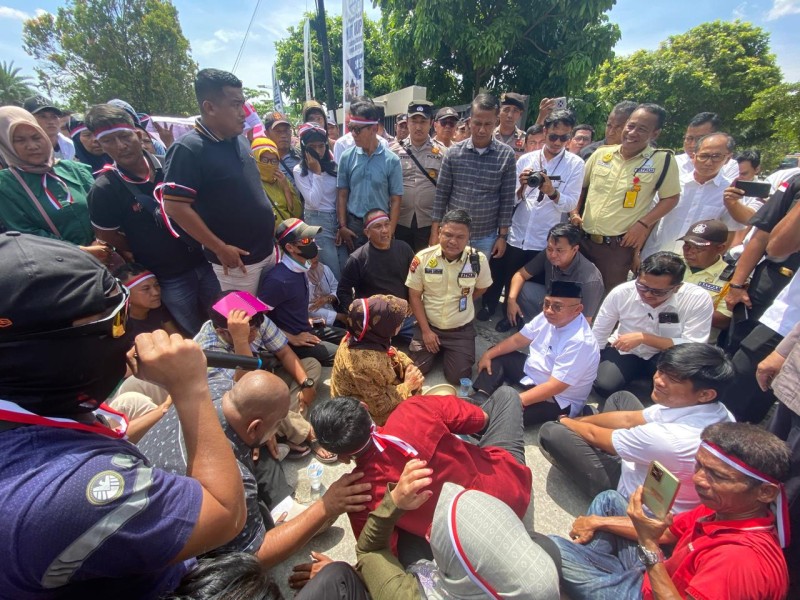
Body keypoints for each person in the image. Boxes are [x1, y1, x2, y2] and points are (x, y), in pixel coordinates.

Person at [0, 232, 246, 598]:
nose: (130, 335)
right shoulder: (59, 491)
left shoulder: (31, 396)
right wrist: (191, 389)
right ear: (51, 351)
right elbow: (225, 514)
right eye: (116, 323)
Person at [139, 370, 372, 566]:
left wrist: (263, 434)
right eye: (278, 424)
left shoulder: (215, 386)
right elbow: (255, 556)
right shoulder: (233, 479)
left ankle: (279, 505)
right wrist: (326, 505)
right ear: (254, 426)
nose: (280, 430)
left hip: (163, 469)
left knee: (260, 449)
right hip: (174, 551)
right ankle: (275, 517)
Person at [550, 421, 790, 600]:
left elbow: (655, 543)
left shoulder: (739, 561)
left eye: (716, 475)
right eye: (699, 466)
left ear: (766, 492)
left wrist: (648, 545)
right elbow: (667, 533)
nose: (698, 479)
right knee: (609, 500)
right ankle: (598, 573)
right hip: (657, 574)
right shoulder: (725, 508)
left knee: (549, 545)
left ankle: (594, 574)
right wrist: (597, 522)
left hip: (656, 591)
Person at [309, 390, 533, 559]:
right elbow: (480, 418)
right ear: (364, 407)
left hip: (476, 551)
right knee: (506, 395)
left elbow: (383, 552)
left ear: (343, 458)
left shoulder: (358, 492)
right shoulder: (412, 409)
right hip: (509, 496)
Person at [540, 343, 735, 503]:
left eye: (672, 379)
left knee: (552, 432)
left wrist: (564, 421)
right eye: (661, 371)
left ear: (705, 394)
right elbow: (629, 419)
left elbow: (595, 435)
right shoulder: (717, 410)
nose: (658, 380)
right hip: (649, 458)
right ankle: (614, 446)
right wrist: (579, 421)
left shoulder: (673, 438)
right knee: (621, 399)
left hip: (640, 493)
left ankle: (601, 477)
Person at [86, 103, 220, 335]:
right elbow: (106, 235)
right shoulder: (104, 189)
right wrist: (141, 247)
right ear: (101, 145)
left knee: (221, 314)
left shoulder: (169, 164)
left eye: (124, 136)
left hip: (204, 260)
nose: (120, 146)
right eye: (109, 141)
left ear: (139, 133)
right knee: (193, 329)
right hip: (167, 275)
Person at [356, 470, 560, 600]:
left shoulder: (406, 597)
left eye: (435, 531)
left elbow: (368, 549)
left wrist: (394, 504)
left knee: (407, 531)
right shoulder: (545, 571)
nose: (429, 532)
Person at [161, 68, 276, 295]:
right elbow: (174, 206)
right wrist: (219, 248)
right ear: (210, 107)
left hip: (267, 252)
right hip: (237, 264)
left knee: (272, 313)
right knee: (246, 324)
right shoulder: (188, 149)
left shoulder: (241, 141)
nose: (242, 112)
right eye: (235, 104)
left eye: (242, 104)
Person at [194, 290, 333, 462]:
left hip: (265, 379)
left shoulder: (256, 319)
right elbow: (243, 394)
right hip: (240, 401)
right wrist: (241, 340)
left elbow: (284, 353)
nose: (254, 333)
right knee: (261, 400)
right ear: (223, 332)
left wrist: (307, 384)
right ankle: (306, 433)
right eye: (248, 331)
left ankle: (277, 431)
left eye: (254, 329)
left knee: (311, 365)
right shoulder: (207, 348)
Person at [481, 109, 585, 325]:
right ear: (545, 132)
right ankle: (493, 308)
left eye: (564, 137)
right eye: (553, 136)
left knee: (528, 281)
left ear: (570, 136)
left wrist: (552, 191)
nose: (558, 142)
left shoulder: (575, 165)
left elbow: (570, 203)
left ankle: (513, 318)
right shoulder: (527, 159)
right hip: (518, 231)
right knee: (508, 274)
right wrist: (520, 186)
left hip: (544, 236)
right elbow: (509, 199)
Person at [570, 103, 681, 292]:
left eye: (642, 129)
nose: (632, 132)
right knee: (574, 292)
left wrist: (643, 224)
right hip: (583, 240)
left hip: (617, 247)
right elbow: (580, 185)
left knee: (608, 298)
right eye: (631, 125)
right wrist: (574, 211)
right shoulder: (601, 154)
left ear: (655, 134)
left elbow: (671, 198)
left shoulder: (662, 160)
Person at [474, 281, 600, 425]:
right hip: (534, 372)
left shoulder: (581, 341)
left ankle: (492, 413)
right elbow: (517, 340)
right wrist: (488, 355)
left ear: (577, 309)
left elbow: (554, 387)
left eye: (557, 307)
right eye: (546, 304)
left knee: (497, 420)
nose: (549, 310)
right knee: (496, 353)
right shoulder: (548, 315)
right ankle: (481, 396)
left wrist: (512, 402)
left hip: (557, 398)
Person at [0, 106, 113, 264]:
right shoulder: (6, 185)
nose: (32, 146)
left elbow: (103, 211)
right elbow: (26, 234)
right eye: (19, 140)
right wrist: (79, 252)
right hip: (59, 268)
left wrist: (102, 242)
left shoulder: (74, 169)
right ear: (5, 144)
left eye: (36, 137)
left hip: (105, 256)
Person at [591, 251, 714, 398]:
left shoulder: (697, 299)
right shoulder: (622, 292)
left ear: (677, 287)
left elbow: (693, 346)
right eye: (642, 287)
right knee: (604, 385)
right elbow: (599, 332)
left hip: (669, 355)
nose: (648, 295)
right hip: (627, 350)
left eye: (657, 292)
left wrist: (644, 338)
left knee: (675, 393)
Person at [406, 209, 492, 385]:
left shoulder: (478, 260)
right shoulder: (422, 258)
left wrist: (463, 303)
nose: (453, 241)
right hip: (429, 326)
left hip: (459, 330)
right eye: (448, 234)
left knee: (458, 378)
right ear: (439, 233)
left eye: (460, 237)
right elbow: (414, 296)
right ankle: (434, 350)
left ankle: (448, 352)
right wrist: (426, 331)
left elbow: (482, 288)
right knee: (416, 370)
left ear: (469, 237)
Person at [430, 93, 516, 262]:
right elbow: (441, 195)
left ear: (496, 122)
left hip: (486, 236)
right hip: (452, 236)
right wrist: (435, 232)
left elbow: (506, 200)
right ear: (469, 121)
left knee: (477, 283)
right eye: (477, 123)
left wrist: (502, 237)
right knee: (449, 281)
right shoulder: (453, 154)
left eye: (488, 124)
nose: (482, 130)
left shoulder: (506, 155)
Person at [258, 218, 346, 366]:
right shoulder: (278, 280)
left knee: (354, 337)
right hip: (293, 341)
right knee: (344, 357)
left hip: (308, 329)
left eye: (312, 239)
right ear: (290, 247)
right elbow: (256, 318)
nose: (312, 244)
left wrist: (305, 320)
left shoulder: (301, 267)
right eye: (305, 241)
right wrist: (290, 337)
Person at [642, 132, 746, 258]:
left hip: (694, 266)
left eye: (716, 156)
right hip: (654, 257)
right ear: (694, 156)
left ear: (728, 159)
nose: (708, 162)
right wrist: (637, 253)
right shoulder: (674, 183)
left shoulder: (729, 193)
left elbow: (729, 232)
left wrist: (712, 264)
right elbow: (650, 220)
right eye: (704, 156)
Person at [331, 295, 423, 426]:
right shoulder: (365, 363)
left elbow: (389, 351)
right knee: (414, 413)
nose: (401, 323)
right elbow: (379, 407)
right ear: (383, 326)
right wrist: (408, 385)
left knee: (414, 380)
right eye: (398, 322)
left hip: (368, 391)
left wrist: (407, 364)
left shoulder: (361, 335)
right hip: (361, 410)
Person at [506, 223, 605, 328]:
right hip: (551, 302)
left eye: (559, 250)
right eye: (549, 249)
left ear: (575, 249)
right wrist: (511, 300)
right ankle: (534, 328)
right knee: (523, 289)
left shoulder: (590, 279)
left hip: (571, 317)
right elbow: (520, 275)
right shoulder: (548, 254)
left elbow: (585, 322)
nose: (553, 255)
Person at [336, 98, 403, 251]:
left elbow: (396, 199)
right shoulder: (347, 157)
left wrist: (390, 230)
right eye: (350, 128)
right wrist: (342, 226)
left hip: (381, 226)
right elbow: (342, 194)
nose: (353, 134)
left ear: (373, 129)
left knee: (380, 270)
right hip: (354, 227)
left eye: (357, 129)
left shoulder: (391, 160)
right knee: (357, 270)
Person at [337, 208, 415, 336]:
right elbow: (343, 291)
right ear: (367, 232)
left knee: (427, 337)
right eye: (378, 226)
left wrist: (411, 303)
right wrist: (359, 315)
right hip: (374, 320)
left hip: (404, 316)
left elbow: (415, 280)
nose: (384, 230)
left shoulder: (404, 248)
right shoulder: (358, 258)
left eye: (387, 224)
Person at [389, 101, 447, 251]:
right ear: (407, 122)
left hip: (428, 222)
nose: (418, 127)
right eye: (414, 121)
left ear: (431, 123)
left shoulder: (443, 153)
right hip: (400, 220)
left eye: (423, 122)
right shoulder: (392, 151)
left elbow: (447, 190)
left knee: (425, 265)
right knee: (401, 264)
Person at [293, 122, 347, 279]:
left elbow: (340, 197)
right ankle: (336, 303)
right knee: (333, 271)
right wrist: (317, 172)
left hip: (336, 220)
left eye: (321, 146)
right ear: (304, 146)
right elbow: (314, 201)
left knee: (345, 266)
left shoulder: (333, 167)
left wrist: (341, 225)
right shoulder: (300, 171)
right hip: (317, 222)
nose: (318, 150)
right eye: (312, 146)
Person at [679, 220, 733, 342]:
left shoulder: (732, 279)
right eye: (687, 245)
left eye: (698, 248)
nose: (689, 251)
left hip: (695, 344)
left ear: (720, 248)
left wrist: (670, 307)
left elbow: (723, 320)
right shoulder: (672, 264)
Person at [115, 263, 181, 339]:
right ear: (126, 294)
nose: (156, 292)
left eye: (156, 285)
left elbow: (175, 335)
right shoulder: (119, 328)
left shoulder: (157, 307)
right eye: (146, 289)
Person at [251, 137, 302, 222]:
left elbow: (297, 213)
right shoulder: (250, 184)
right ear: (255, 159)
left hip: (287, 232)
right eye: (264, 160)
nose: (269, 164)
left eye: (274, 161)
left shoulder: (282, 180)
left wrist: (286, 188)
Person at [676, 111, 739, 180]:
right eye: (689, 138)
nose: (693, 144)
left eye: (700, 139)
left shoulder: (731, 166)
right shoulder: (673, 163)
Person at [23, 94, 75, 160]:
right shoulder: (22, 147)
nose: (51, 121)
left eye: (54, 116)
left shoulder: (69, 144)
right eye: (42, 116)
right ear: (28, 119)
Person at [307, 255, 344, 326]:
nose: (315, 258)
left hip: (333, 309)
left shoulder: (325, 269)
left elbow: (337, 289)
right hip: (314, 321)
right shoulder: (299, 277)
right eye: (310, 256)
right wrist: (338, 316)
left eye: (316, 254)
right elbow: (306, 308)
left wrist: (328, 298)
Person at [493, 92, 527, 159]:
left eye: (515, 111)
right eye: (506, 110)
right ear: (499, 112)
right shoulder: (489, 136)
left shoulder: (525, 140)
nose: (510, 115)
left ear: (520, 115)